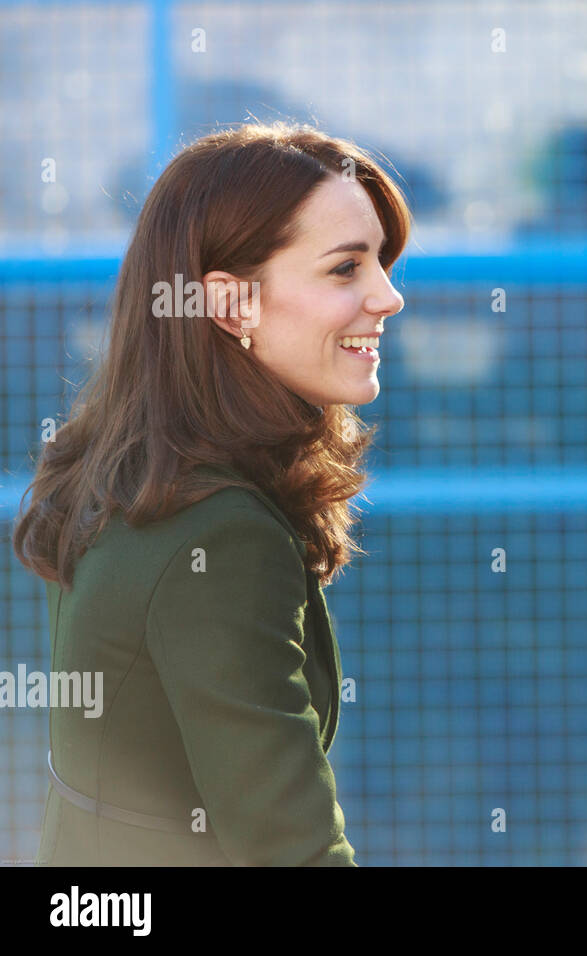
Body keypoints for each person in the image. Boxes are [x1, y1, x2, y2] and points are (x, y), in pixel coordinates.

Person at [11, 122, 408, 865]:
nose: (387, 296)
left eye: (381, 262)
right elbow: (294, 850)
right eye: (345, 269)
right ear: (231, 307)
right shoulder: (219, 537)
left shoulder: (122, 472)